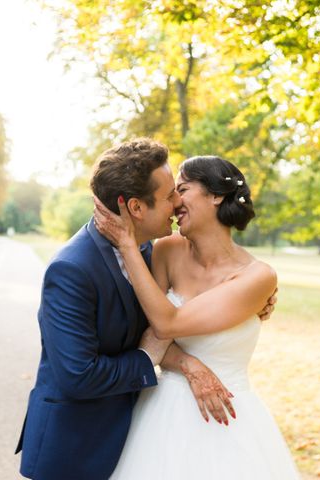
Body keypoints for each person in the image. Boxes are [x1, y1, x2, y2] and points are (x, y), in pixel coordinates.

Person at [15, 139, 275, 480]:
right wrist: (178, 362)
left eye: (180, 190)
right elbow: (80, 375)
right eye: (171, 194)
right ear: (136, 209)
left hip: (189, 423)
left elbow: (169, 313)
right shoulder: (73, 269)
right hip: (79, 443)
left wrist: (254, 294)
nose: (177, 201)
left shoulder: (151, 251)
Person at [94, 155, 301, 479]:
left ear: (216, 195)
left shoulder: (257, 277)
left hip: (226, 417)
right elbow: (149, 331)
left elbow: (167, 325)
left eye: (183, 189)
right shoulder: (166, 250)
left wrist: (128, 245)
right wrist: (190, 366)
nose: (174, 201)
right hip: (160, 413)